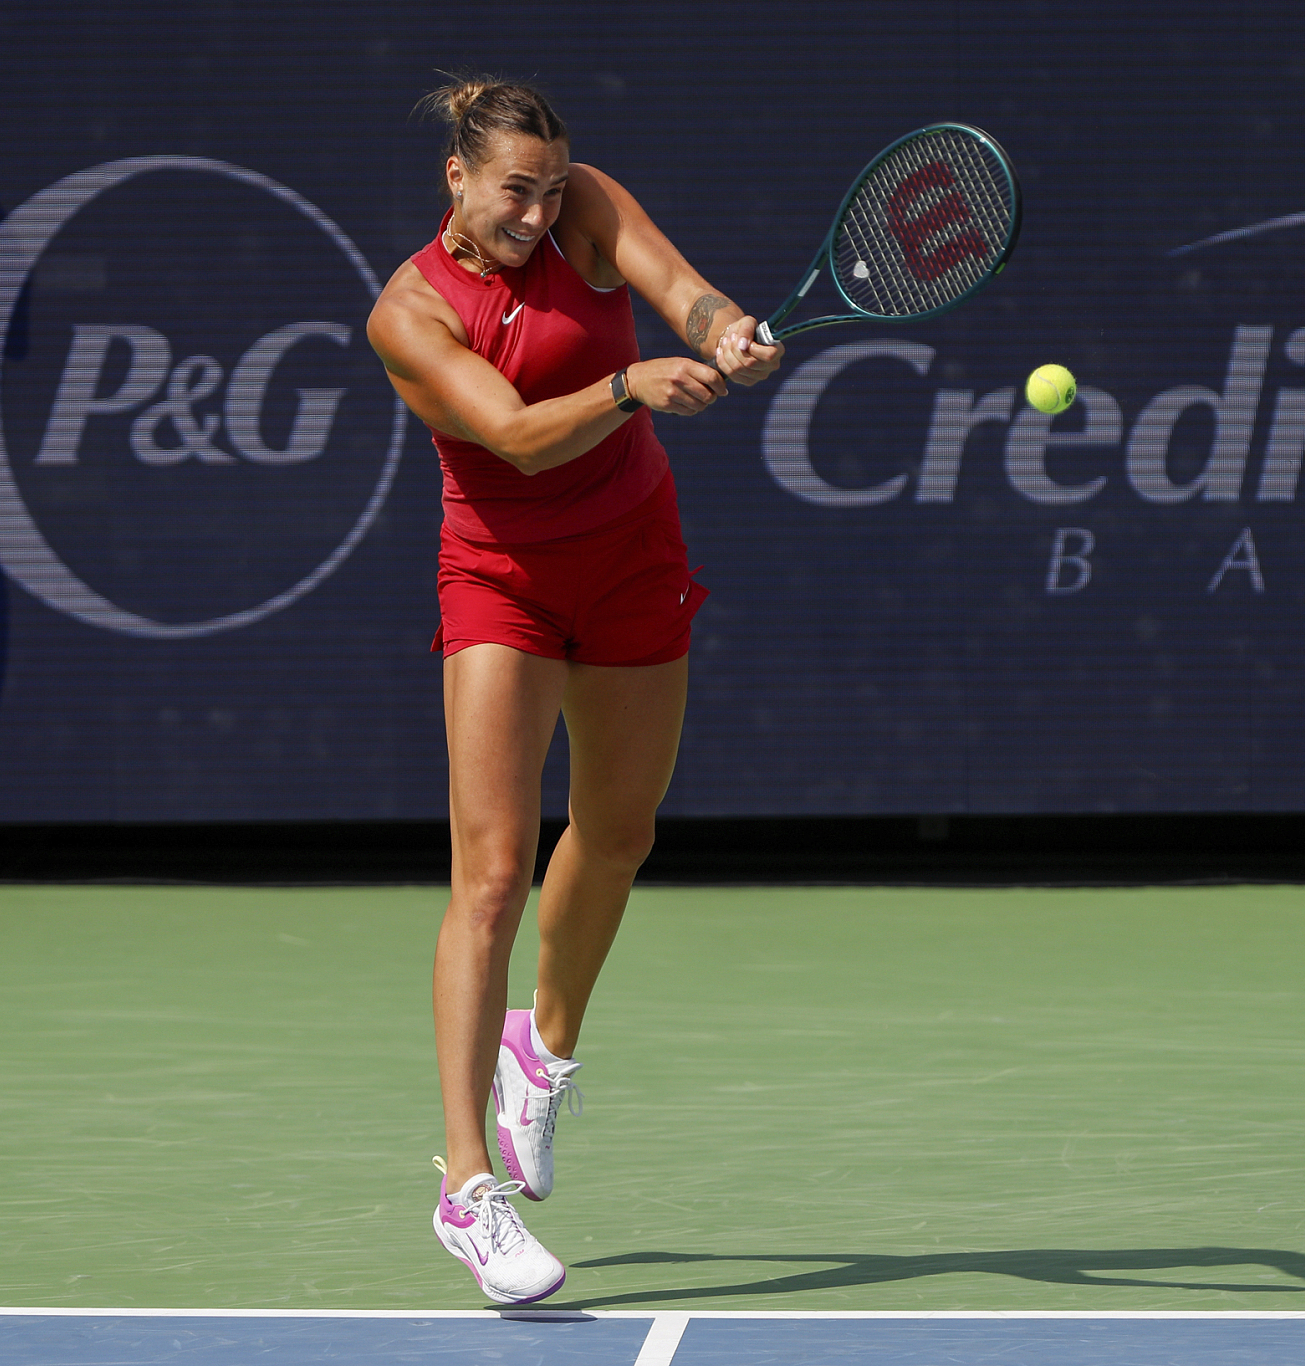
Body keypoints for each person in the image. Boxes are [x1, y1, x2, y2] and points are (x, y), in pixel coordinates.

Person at [367, 76, 782, 1305]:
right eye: (514, 192)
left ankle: (539, 1047)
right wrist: (627, 387)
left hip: (632, 559)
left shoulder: (585, 206)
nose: (540, 215)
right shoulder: (407, 313)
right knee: (490, 872)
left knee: (617, 831)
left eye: (552, 190)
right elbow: (511, 433)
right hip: (497, 581)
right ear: (456, 176)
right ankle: (463, 1183)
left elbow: (675, 285)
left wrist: (718, 331)